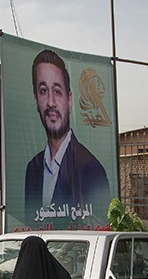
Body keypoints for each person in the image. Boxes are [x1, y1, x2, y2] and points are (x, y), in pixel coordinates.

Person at [23, 49, 110, 220]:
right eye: (43, 91)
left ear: (69, 101)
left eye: (57, 91)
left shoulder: (91, 170)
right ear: (36, 100)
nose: (50, 102)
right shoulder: (32, 169)